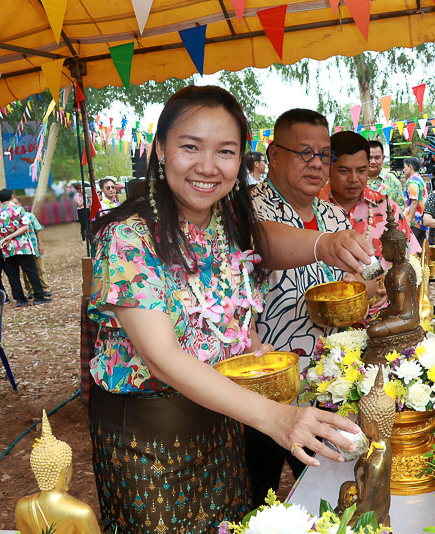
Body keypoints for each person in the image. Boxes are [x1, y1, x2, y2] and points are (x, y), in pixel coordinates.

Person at [88, 86, 370, 533]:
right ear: (160, 149)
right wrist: (277, 417)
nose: (207, 166)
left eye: (225, 151)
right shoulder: (129, 238)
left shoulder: (227, 224)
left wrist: (261, 354)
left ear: (240, 159)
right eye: (189, 147)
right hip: (150, 445)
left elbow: (241, 305)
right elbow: (162, 356)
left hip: (222, 426)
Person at [250, 109, 368, 506]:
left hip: (323, 386)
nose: (317, 163)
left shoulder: (333, 215)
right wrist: (324, 245)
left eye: (324, 154)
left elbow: (343, 289)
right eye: (304, 152)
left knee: (332, 496)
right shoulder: (246, 211)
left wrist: (363, 291)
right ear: (273, 155)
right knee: (255, 499)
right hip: (262, 392)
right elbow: (265, 243)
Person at [321, 131, 420, 265]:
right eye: (344, 171)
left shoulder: (387, 208)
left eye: (361, 171)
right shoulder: (310, 210)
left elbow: (412, 263)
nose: (354, 179)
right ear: (327, 167)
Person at [0, 189, 50, 307]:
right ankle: (39, 297)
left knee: (13, 274)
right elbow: (25, 227)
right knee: (31, 271)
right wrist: (12, 236)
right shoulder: (18, 209)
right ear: (12, 196)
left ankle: (20, 299)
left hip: (7, 248)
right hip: (22, 246)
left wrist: (4, 242)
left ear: (0, 199)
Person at [20, 207, 52, 298]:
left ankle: (45, 288)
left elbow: (38, 229)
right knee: (26, 271)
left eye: (16, 203)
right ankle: (31, 290)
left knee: (40, 268)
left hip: (34, 246)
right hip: (23, 249)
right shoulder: (12, 219)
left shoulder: (30, 216)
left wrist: (40, 244)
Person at [366, 140, 404, 207]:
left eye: (377, 158)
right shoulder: (356, 180)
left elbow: (400, 208)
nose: (373, 162)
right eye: (369, 158)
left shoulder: (393, 182)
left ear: (383, 158)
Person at [402, 156, 428, 247]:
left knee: (410, 249)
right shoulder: (420, 179)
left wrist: (409, 221)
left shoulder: (412, 181)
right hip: (422, 221)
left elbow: (414, 202)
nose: (403, 170)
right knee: (421, 249)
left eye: (405, 167)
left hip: (414, 222)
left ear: (410, 167)